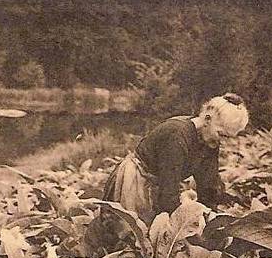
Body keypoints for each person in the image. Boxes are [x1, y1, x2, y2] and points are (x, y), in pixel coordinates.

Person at [103, 93, 249, 222]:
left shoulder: (209, 139)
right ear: (207, 119)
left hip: (159, 183)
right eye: (222, 134)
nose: (222, 141)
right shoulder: (177, 134)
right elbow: (168, 192)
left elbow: (208, 183)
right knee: (136, 233)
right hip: (137, 181)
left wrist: (210, 217)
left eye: (228, 137)